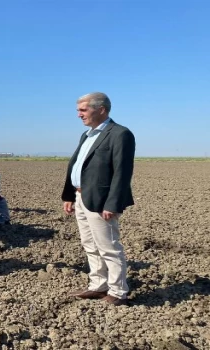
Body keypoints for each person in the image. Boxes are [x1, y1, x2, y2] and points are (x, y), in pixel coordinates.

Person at [62, 92, 135, 307]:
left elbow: (122, 173)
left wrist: (112, 203)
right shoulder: (87, 135)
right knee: (89, 244)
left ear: (101, 109)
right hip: (81, 196)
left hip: (101, 200)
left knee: (108, 246)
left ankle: (118, 291)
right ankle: (98, 284)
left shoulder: (120, 134)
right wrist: (70, 195)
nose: (79, 115)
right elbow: (78, 167)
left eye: (83, 110)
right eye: (78, 110)